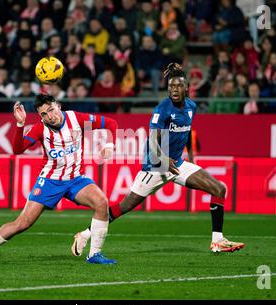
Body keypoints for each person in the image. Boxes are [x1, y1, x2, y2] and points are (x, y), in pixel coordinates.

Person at [72, 63, 245, 257]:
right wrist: (163, 159)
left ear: (186, 87)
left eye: (178, 86)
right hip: (155, 165)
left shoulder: (191, 107)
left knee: (219, 188)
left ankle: (217, 240)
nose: (174, 90)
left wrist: (192, 158)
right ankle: (86, 234)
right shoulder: (162, 109)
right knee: (126, 206)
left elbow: (186, 132)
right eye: (171, 87)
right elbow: (153, 141)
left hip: (177, 163)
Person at [0, 94, 118, 265]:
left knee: (102, 203)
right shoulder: (39, 129)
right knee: (22, 224)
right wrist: (20, 124)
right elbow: (17, 150)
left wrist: (109, 145)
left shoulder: (76, 118)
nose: (49, 116)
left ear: (58, 106)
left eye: (51, 110)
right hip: (50, 181)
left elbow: (111, 123)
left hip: (76, 179)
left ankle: (94, 255)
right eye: (44, 114)